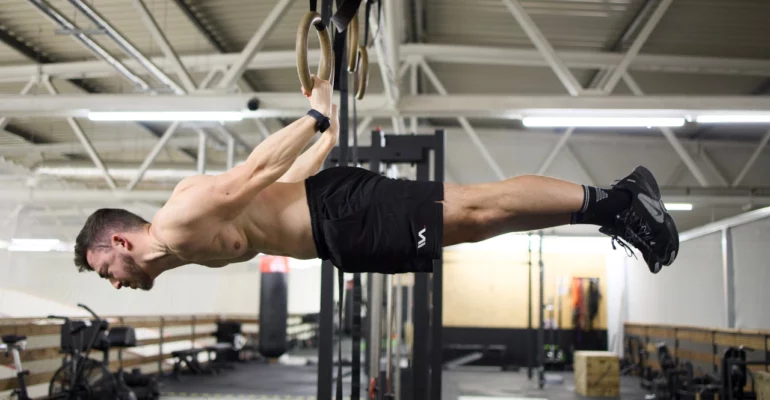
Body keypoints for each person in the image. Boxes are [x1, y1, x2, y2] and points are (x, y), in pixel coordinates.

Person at [74, 76, 679, 291]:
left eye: (106, 273)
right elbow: (274, 192)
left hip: (340, 215)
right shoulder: (182, 251)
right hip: (338, 232)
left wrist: (312, 118)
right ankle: (613, 208)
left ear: (121, 244)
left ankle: (621, 203)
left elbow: (255, 171)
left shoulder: (178, 221)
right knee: (472, 225)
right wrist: (327, 139)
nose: (115, 285)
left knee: (475, 207)